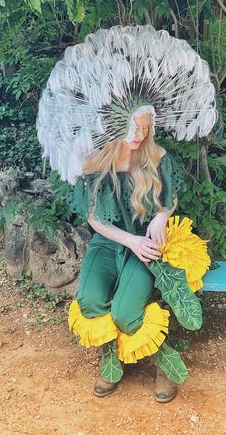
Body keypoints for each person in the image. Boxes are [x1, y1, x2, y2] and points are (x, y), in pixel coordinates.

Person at [66, 104, 185, 403]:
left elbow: (170, 198)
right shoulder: (95, 162)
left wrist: (161, 217)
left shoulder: (156, 157)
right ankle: (112, 359)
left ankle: (164, 362)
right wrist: (128, 240)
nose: (140, 134)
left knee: (125, 311)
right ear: (116, 124)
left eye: (146, 127)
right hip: (111, 242)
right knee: (90, 300)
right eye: (135, 127)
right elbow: (95, 219)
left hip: (147, 243)